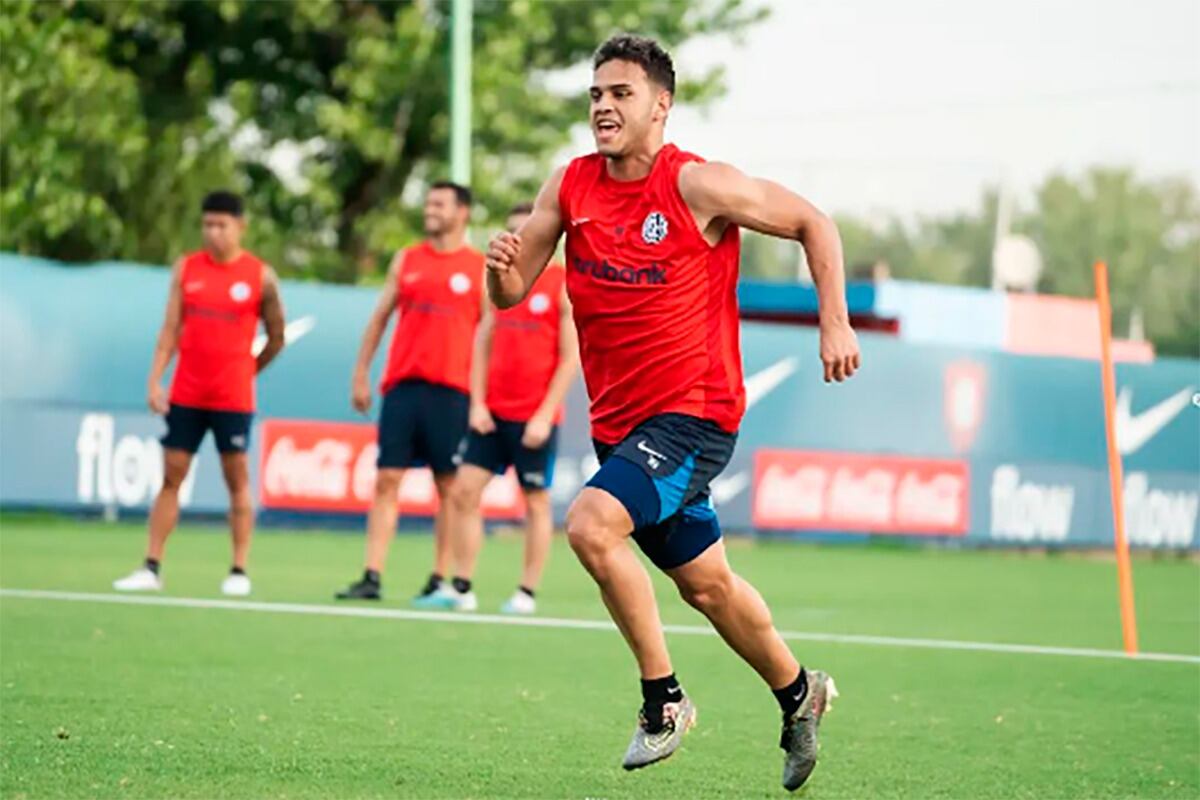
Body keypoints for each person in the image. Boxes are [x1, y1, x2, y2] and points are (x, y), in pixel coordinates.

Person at [483, 35, 861, 791]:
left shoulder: (699, 185)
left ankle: (665, 701)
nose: (603, 107)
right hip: (620, 427)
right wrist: (498, 271)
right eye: (595, 94)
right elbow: (513, 291)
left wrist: (835, 320)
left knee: (590, 524)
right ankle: (799, 694)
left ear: (661, 104)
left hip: (694, 415)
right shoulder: (570, 186)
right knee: (707, 586)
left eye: (620, 93)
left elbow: (816, 222)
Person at [114, 191, 286, 597]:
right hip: (187, 393)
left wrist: (248, 370)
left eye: (222, 225)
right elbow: (170, 329)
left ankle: (239, 570)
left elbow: (277, 336)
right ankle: (151, 566)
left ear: (240, 226)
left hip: (233, 399)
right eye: (208, 224)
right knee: (171, 476)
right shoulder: (187, 270)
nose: (214, 233)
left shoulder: (260, 276)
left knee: (236, 478)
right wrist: (156, 380)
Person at [421, 203, 579, 614]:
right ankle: (461, 586)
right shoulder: (498, 281)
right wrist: (477, 404)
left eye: (525, 232)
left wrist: (544, 414)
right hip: (491, 414)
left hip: (533, 419)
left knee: (535, 500)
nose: (517, 239)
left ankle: (526, 591)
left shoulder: (562, 284)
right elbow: (482, 344)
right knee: (463, 492)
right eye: (511, 232)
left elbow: (569, 357)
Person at [335, 182, 485, 603]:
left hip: (452, 392)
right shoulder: (407, 260)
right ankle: (371, 575)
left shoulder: (479, 267)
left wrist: (482, 399)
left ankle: (440, 577)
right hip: (403, 387)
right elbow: (380, 318)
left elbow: (491, 338)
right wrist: (361, 374)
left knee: (449, 487)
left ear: (463, 213)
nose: (430, 210)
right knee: (386, 479)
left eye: (439, 204)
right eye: (428, 203)